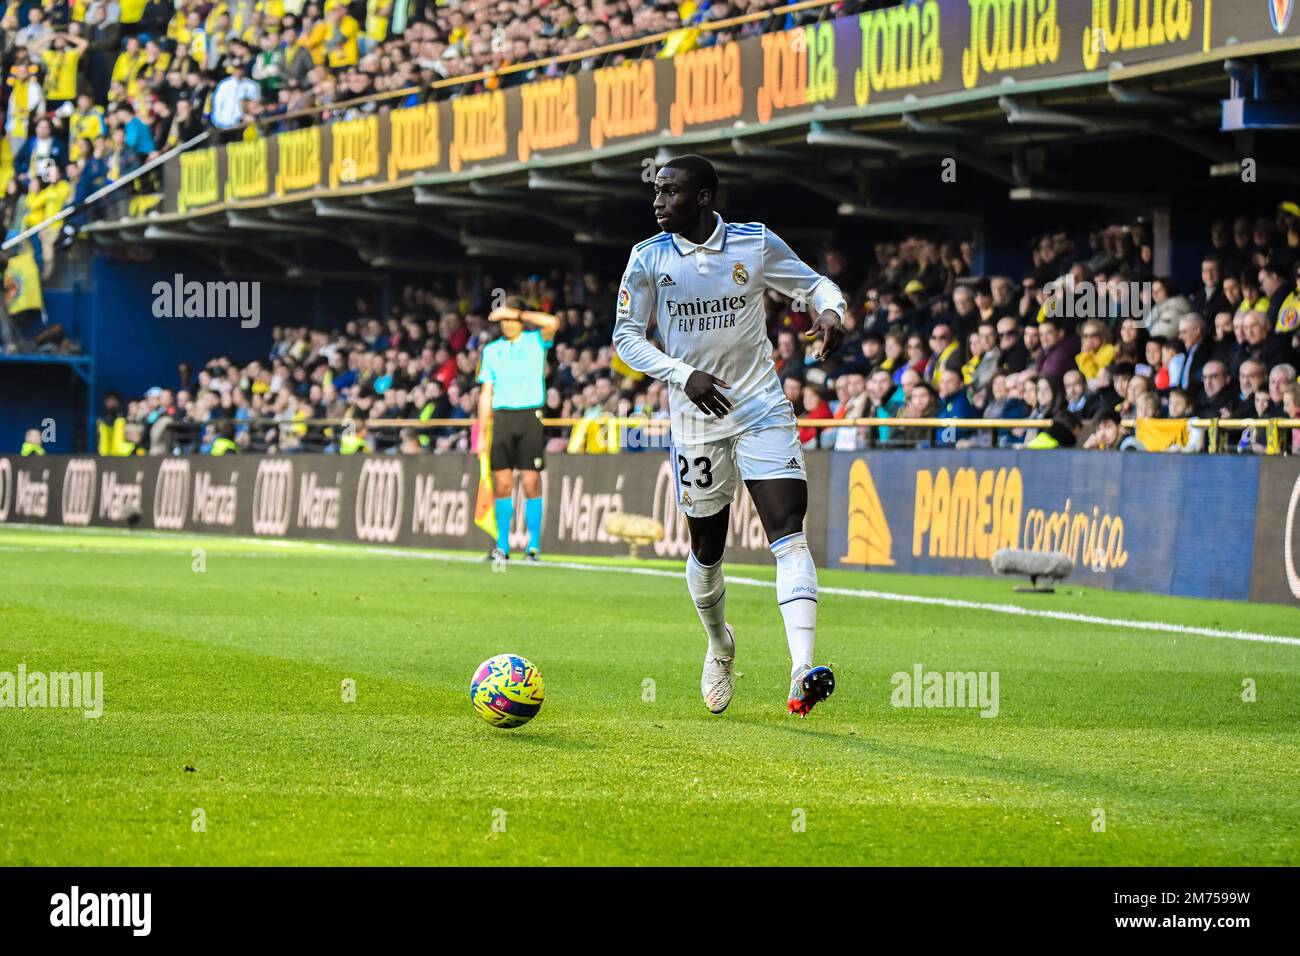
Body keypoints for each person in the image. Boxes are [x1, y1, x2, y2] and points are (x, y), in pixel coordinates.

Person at [612, 154, 845, 718]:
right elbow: (625, 338)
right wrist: (681, 374)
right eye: (657, 192)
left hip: (761, 408)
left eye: (670, 193)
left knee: (788, 536)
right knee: (707, 549)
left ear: (703, 199)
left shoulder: (753, 244)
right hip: (695, 421)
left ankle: (800, 670)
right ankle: (719, 645)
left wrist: (831, 311)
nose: (658, 201)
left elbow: (814, 286)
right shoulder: (648, 258)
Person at [476, 296, 559, 563]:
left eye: (512, 320)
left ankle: (533, 546)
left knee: (530, 480)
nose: (509, 325)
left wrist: (518, 312)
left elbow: (553, 322)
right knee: (502, 484)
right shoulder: (491, 351)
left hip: (529, 415)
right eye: (504, 321)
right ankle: (502, 545)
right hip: (502, 418)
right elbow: (486, 392)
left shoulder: (536, 341)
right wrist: (481, 430)